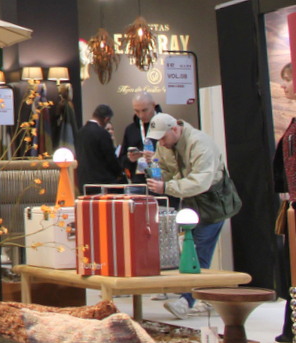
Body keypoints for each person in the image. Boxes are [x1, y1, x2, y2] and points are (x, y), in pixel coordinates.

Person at [144, 113, 243, 319]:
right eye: (157, 139)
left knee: (199, 251)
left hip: (212, 202)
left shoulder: (201, 144)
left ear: (175, 129)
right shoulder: (166, 145)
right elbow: (167, 172)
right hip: (189, 202)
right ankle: (203, 298)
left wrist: (166, 187)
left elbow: (201, 182)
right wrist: (154, 171)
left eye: (163, 137)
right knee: (189, 248)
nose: (161, 143)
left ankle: (186, 301)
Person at [75, 104, 125, 193]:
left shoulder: (80, 133)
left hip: (83, 182)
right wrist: (120, 173)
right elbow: (110, 159)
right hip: (101, 183)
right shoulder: (102, 133)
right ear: (106, 119)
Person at [122, 92, 162, 180]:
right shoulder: (130, 129)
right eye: (137, 111)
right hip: (139, 181)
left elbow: (176, 158)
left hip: (163, 180)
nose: (141, 115)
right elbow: (122, 160)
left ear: (153, 105)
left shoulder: (165, 125)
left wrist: (156, 157)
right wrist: (130, 159)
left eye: (144, 110)